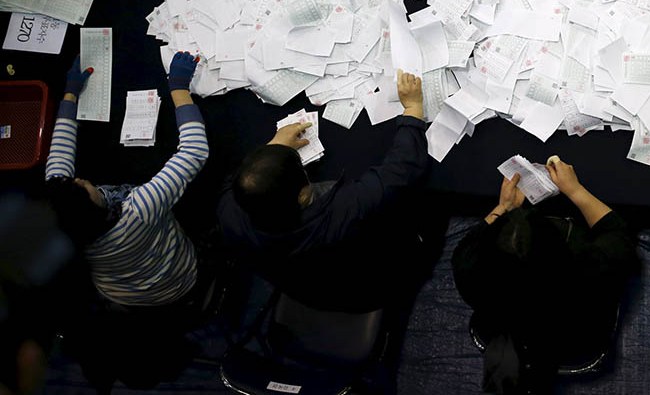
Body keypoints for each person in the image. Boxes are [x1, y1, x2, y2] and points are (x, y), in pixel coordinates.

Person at [218, 70, 430, 313]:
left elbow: (239, 180)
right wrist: (413, 108)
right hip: (368, 288)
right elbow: (403, 170)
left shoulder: (230, 214)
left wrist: (275, 149)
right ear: (301, 195)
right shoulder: (342, 212)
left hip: (307, 291)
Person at [452, 156, 636, 394]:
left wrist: (503, 207)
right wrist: (575, 190)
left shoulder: (470, 267)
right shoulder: (590, 273)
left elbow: (472, 241)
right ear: (561, 244)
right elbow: (617, 232)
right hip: (574, 344)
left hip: (501, 333)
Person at [44, 52, 208, 306]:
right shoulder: (140, 210)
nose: (80, 180)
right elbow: (194, 151)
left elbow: (59, 159)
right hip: (179, 280)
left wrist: (70, 94)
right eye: (83, 187)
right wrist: (178, 87)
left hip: (123, 297)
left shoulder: (61, 223)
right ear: (96, 207)